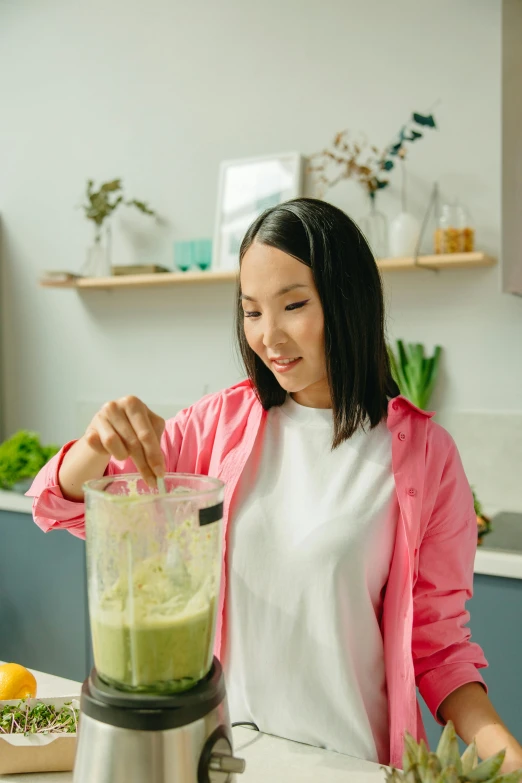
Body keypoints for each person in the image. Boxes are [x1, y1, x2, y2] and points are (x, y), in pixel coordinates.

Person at [29, 198, 522, 770]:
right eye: (251, 311)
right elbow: (58, 506)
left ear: (347, 300)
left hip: (349, 767)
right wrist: (94, 447)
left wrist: (503, 752)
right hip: (220, 757)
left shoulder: (425, 458)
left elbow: (440, 648)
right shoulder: (213, 432)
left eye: (293, 305)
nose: (269, 336)